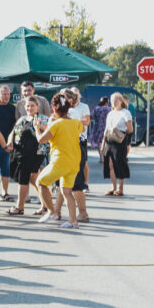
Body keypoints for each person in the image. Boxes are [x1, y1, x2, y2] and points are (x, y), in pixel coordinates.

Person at [35, 92, 85, 229]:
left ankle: (51, 210)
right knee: (67, 192)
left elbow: (41, 140)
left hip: (60, 162)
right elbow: (83, 128)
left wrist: (36, 128)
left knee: (40, 182)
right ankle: (73, 221)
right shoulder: (75, 123)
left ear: (54, 108)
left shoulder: (56, 124)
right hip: (74, 162)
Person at [5, 96, 49, 216]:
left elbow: (48, 133)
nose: (30, 108)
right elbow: (13, 132)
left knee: (23, 179)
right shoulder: (22, 119)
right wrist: (9, 142)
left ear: (37, 106)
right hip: (21, 153)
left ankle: (19, 207)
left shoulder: (43, 119)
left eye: (32, 106)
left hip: (36, 153)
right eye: (28, 106)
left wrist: (38, 126)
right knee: (34, 180)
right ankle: (46, 205)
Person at [54, 88, 90, 222]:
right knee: (61, 183)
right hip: (65, 149)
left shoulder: (72, 113)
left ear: (70, 100)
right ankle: (56, 212)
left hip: (73, 148)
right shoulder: (64, 113)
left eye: (62, 97)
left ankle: (83, 213)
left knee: (75, 183)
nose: (58, 100)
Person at [102, 92, 134, 196]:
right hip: (110, 140)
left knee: (119, 163)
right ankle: (113, 187)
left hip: (120, 141)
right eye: (112, 100)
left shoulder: (126, 112)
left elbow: (130, 129)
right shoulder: (110, 113)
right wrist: (102, 144)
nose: (114, 102)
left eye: (116, 100)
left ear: (121, 101)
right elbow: (106, 129)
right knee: (110, 164)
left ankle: (120, 188)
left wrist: (123, 136)